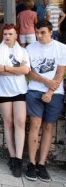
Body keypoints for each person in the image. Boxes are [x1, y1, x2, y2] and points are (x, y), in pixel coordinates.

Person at [25, 20, 66, 182]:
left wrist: (50, 91)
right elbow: (29, 72)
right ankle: (31, 163)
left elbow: (60, 73)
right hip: (35, 91)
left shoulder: (61, 48)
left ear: (50, 32)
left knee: (48, 126)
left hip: (55, 93)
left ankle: (42, 164)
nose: (39, 35)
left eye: (42, 32)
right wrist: (45, 82)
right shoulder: (30, 48)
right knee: (35, 124)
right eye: (37, 32)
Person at [0, 24, 30, 177]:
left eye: (10, 34)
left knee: (20, 122)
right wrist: (16, 70)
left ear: (16, 35)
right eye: (5, 33)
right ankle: (12, 157)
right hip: (3, 91)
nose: (7, 36)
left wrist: (6, 68)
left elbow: (26, 71)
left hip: (20, 91)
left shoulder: (23, 51)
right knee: (8, 123)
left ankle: (19, 159)